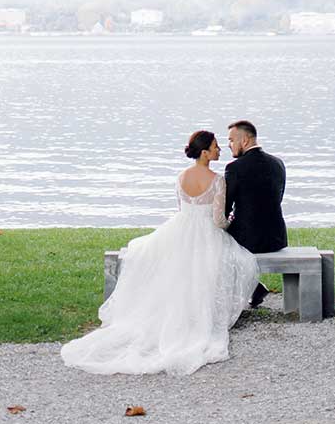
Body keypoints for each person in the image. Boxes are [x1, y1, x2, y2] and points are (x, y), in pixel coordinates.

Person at [60, 130, 259, 375]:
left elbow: (181, 208)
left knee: (177, 272)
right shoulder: (217, 180)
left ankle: (174, 318)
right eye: (216, 147)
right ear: (205, 152)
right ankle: (197, 320)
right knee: (229, 263)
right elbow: (218, 220)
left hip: (179, 230)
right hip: (206, 233)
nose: (220, 150)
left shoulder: (181, 177)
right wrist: (229, 225)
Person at [224, 120, 288, 307]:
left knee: (214, 240)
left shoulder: (234, 168)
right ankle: (255, 287)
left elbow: (225, 209)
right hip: (277, 238)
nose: (229, 145)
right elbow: (276, 199)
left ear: (244, 140)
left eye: (231, 140)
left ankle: (251, 288)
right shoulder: (278, 163)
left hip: (248, 240)